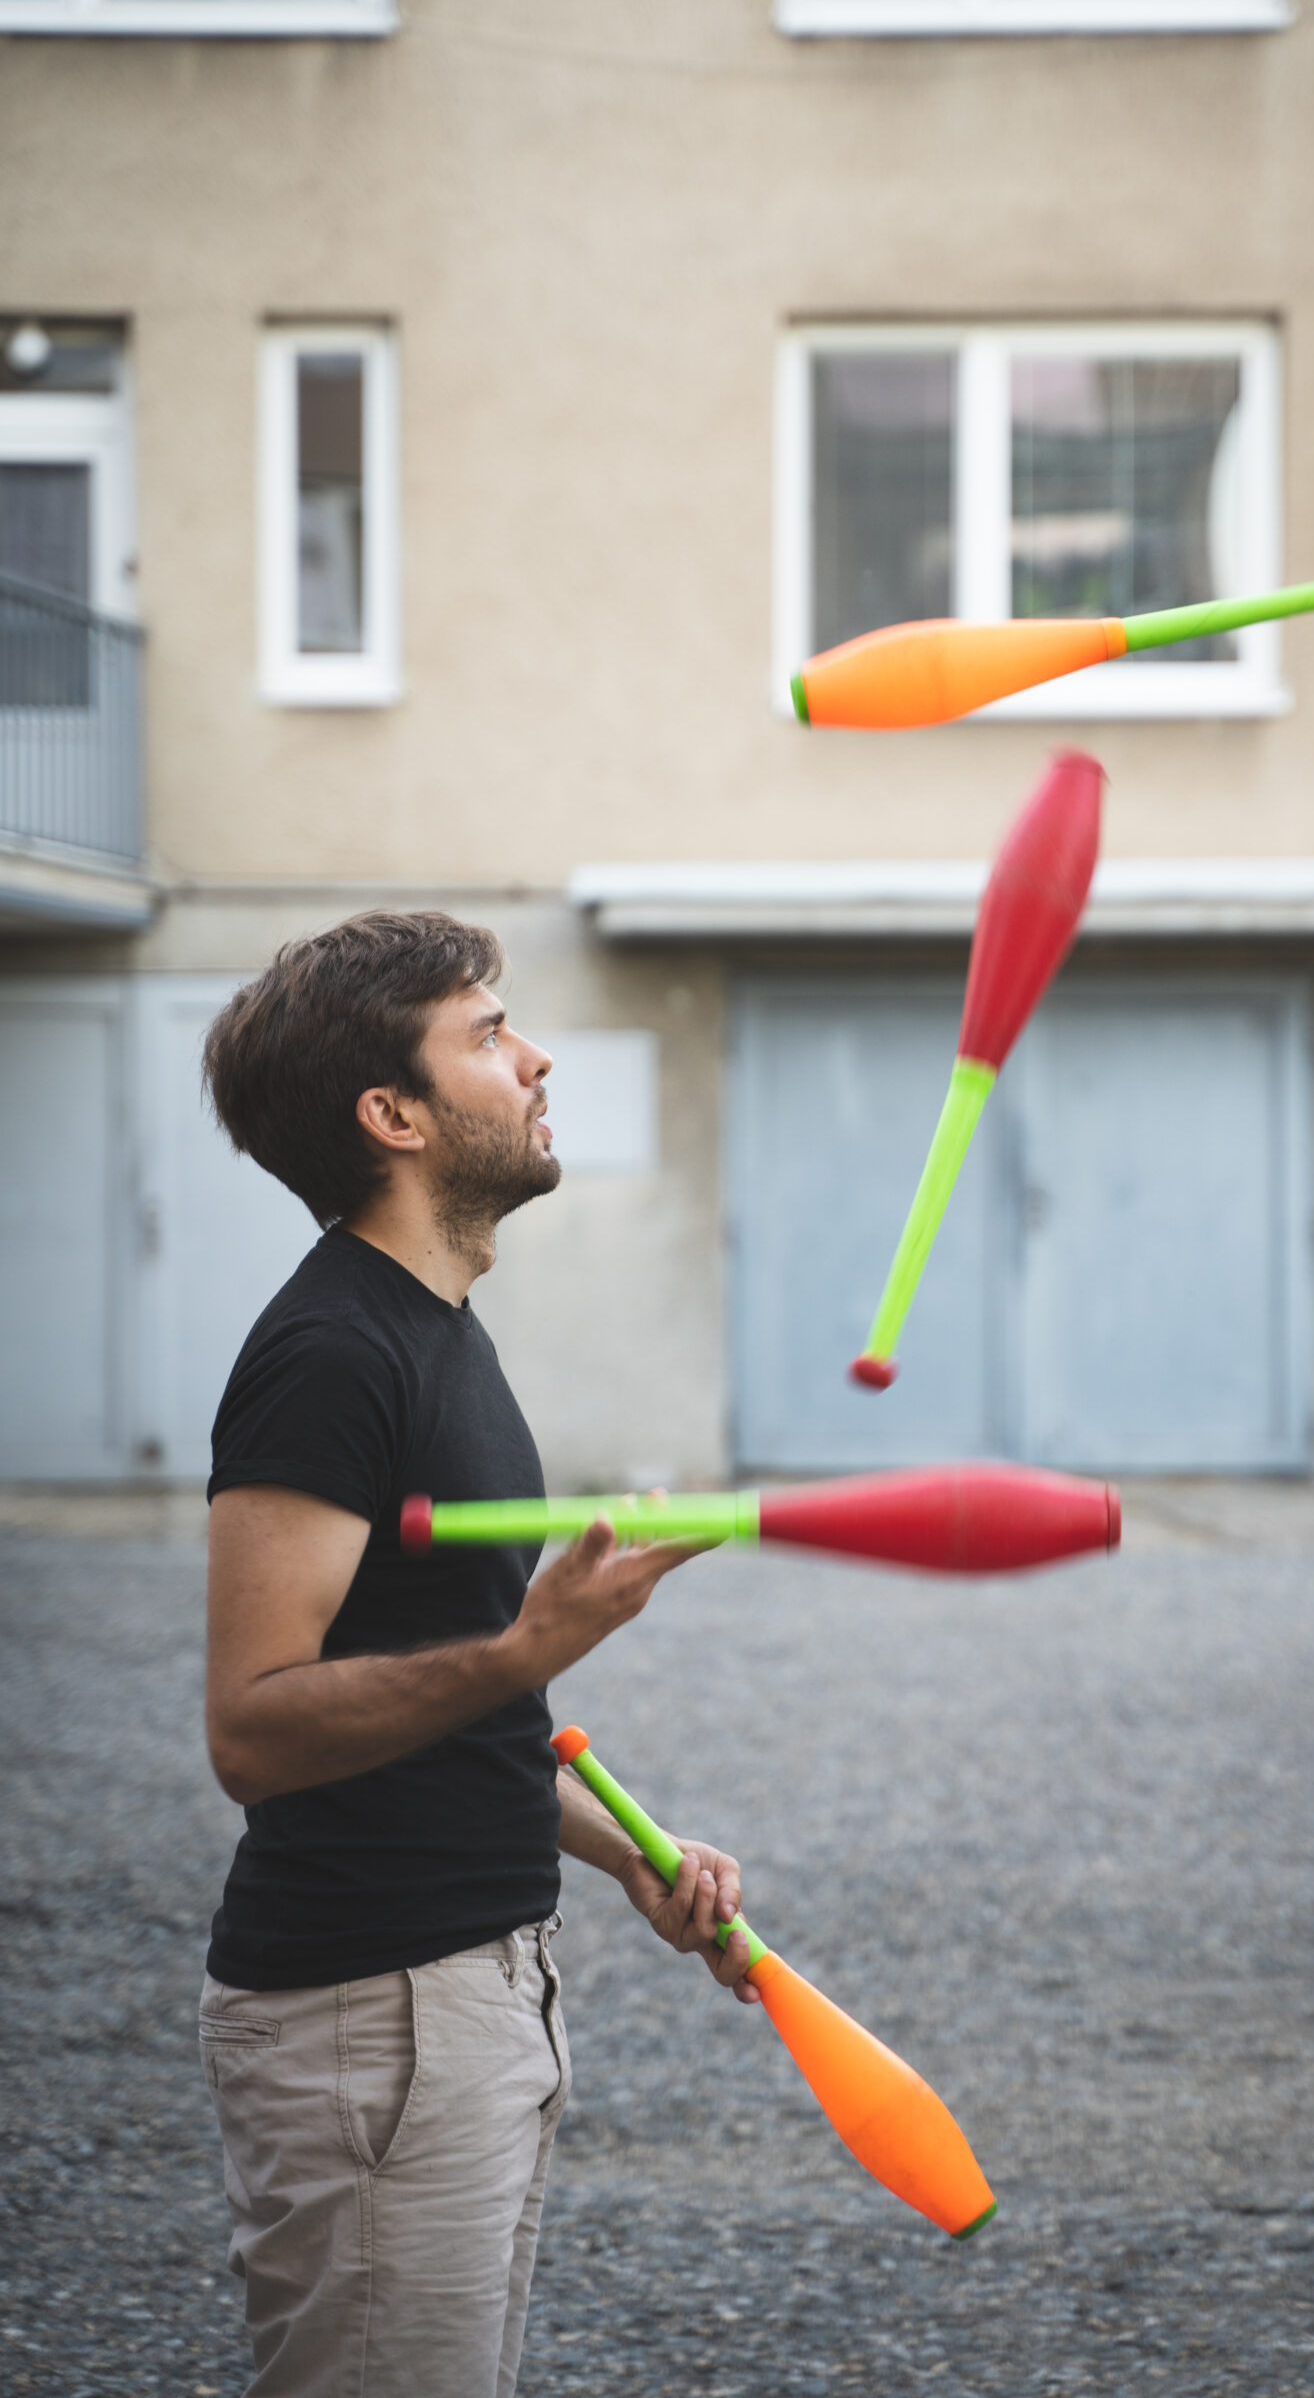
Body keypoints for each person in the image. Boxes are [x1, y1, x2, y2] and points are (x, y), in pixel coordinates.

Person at [197, 909, 753, 2398]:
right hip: (371, 2017)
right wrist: (527, 1652)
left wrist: (618, 1845)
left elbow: (436, 1687)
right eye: (490, 1033)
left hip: (470, 1993)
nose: (538, 1054)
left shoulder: (441, 1327)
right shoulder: (331, 1354)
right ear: (395, 1116)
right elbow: (252, 1726)